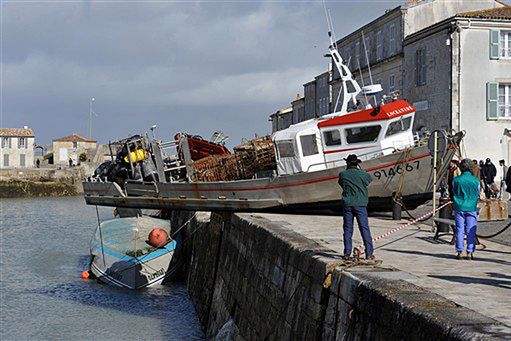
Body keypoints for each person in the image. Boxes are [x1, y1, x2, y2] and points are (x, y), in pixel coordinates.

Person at [338, 154, 374, 260]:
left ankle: (347, 253)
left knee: (348, 229)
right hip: (360, 204)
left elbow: (341, 184)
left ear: (348, 163)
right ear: (357, 164)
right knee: (364, 228)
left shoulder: (343, 174)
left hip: (348, 204)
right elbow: (369, 180)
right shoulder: (362, 173)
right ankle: (369, 253)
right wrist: (360, 170)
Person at [452, 159, 480, 260]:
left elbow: (453, 191)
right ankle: (469, 251)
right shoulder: (476, 180)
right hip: (471, 206)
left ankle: (459, 251)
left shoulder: (456, 180)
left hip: (459, 206)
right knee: (470, 230)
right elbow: (477, 193)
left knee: (459, 229)